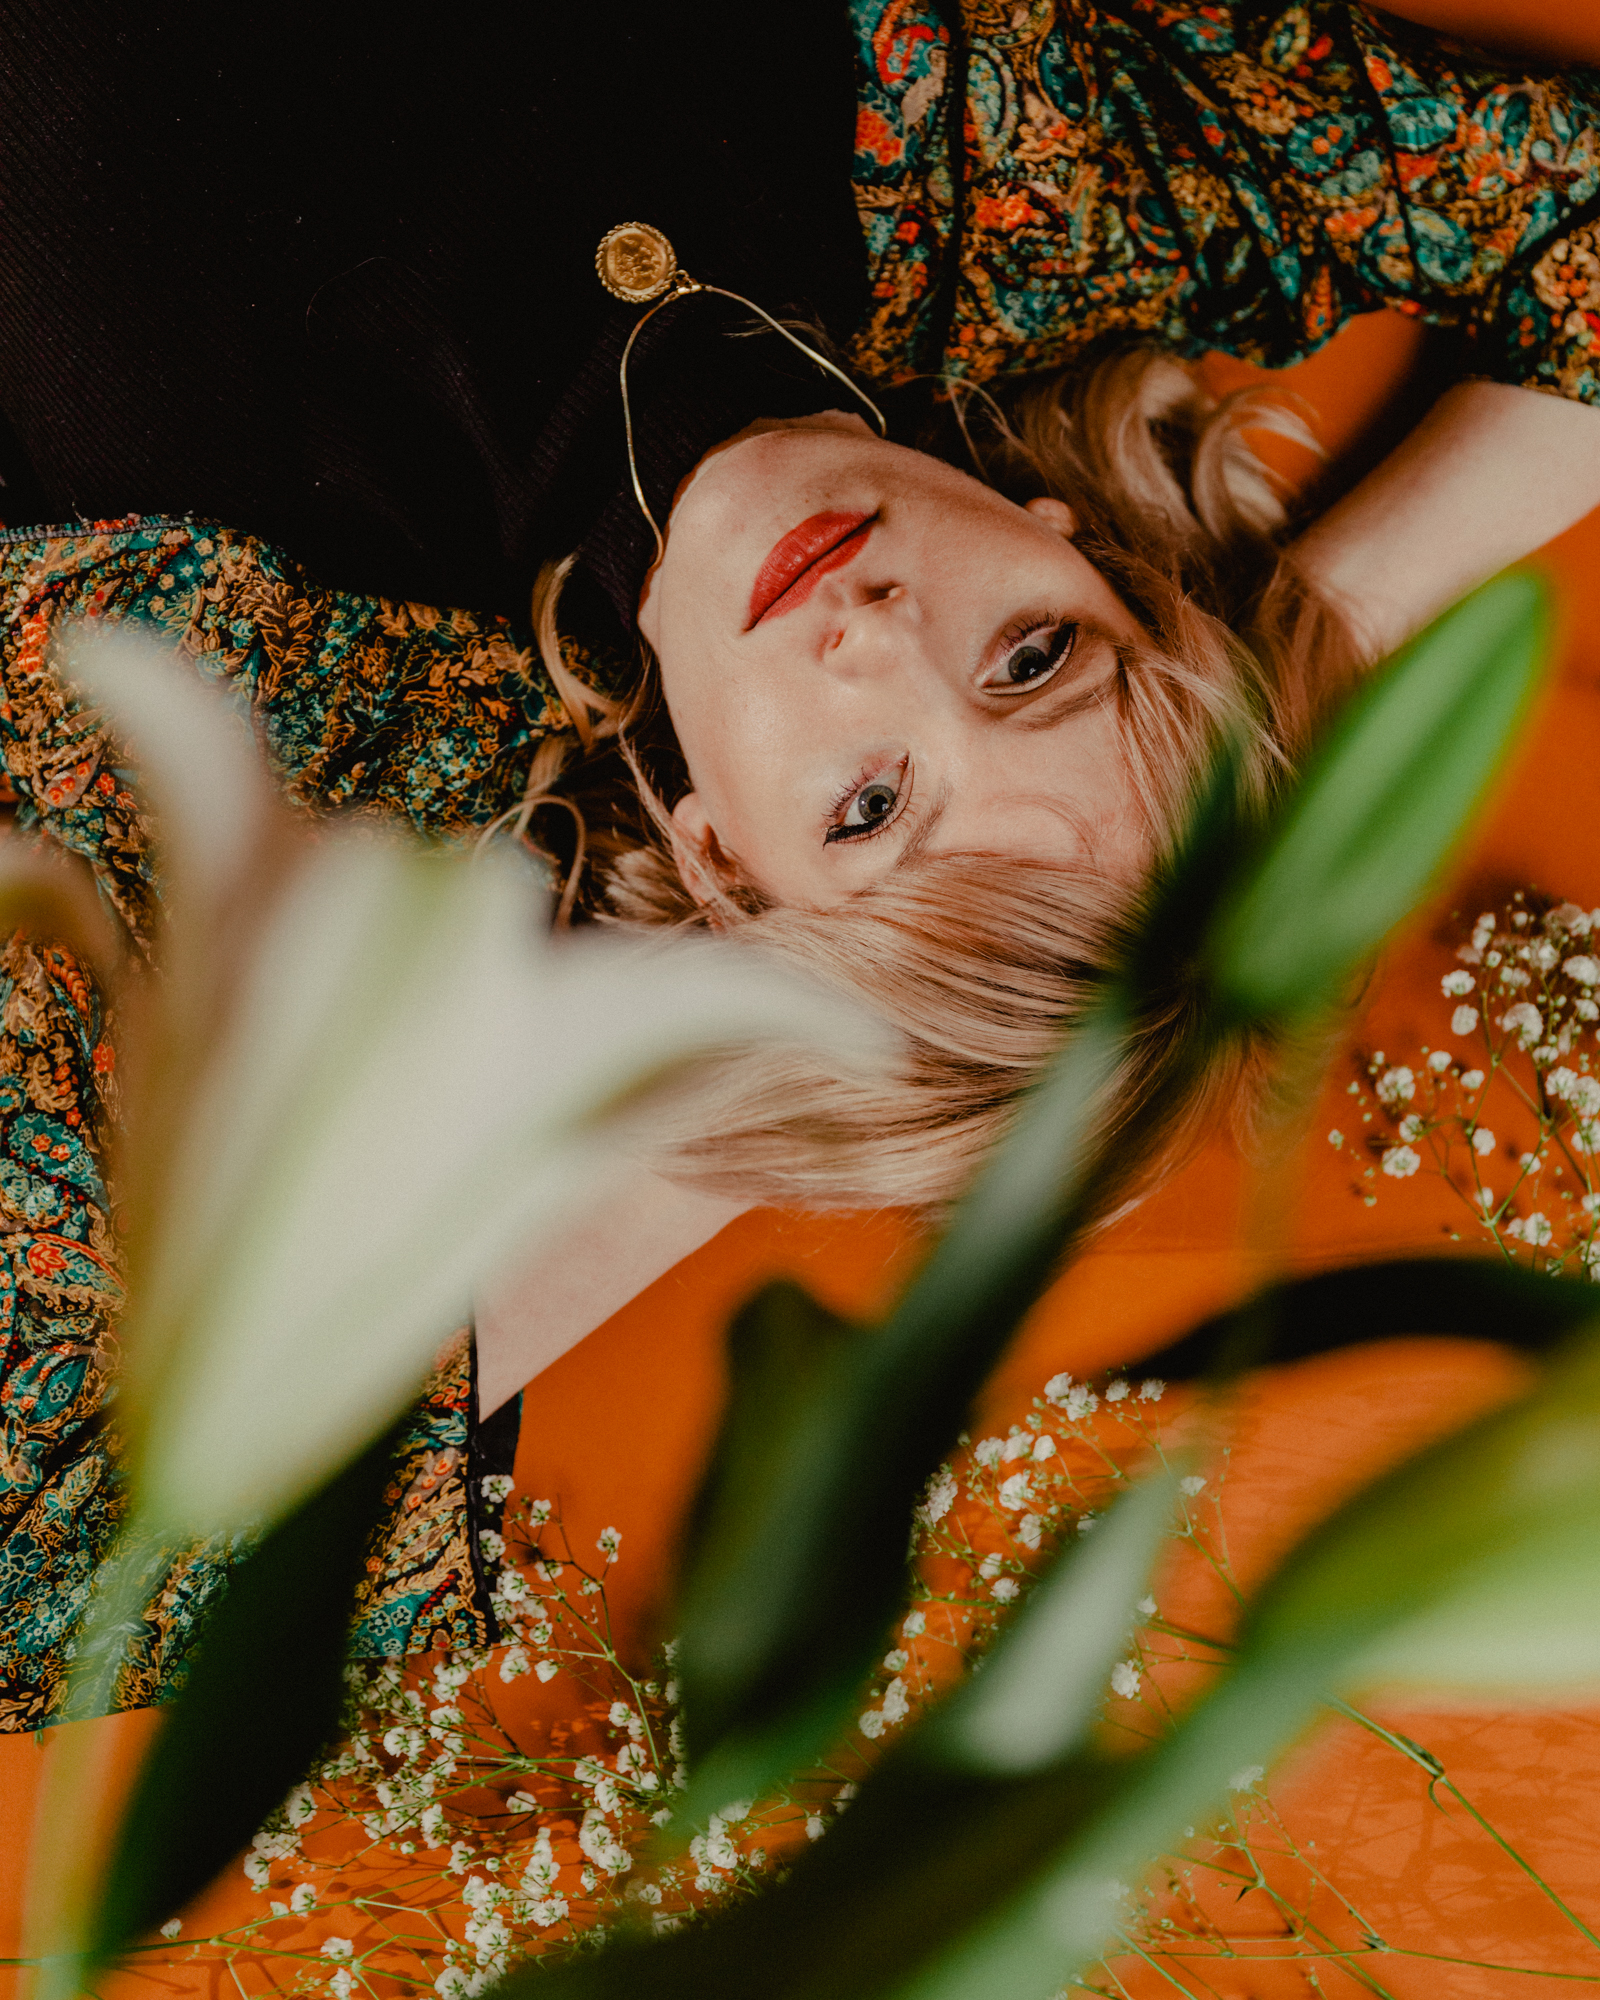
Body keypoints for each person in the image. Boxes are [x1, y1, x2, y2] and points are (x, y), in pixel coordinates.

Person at [2, 0, 1599, 1728]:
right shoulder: (981, 170)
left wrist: (786, 1053)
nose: (884, 635)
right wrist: (1295, 646)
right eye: (1040, 656)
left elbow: (72, 1575)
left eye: (870, 811)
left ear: (720, 862)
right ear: (1080, 548)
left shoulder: (253, 692)